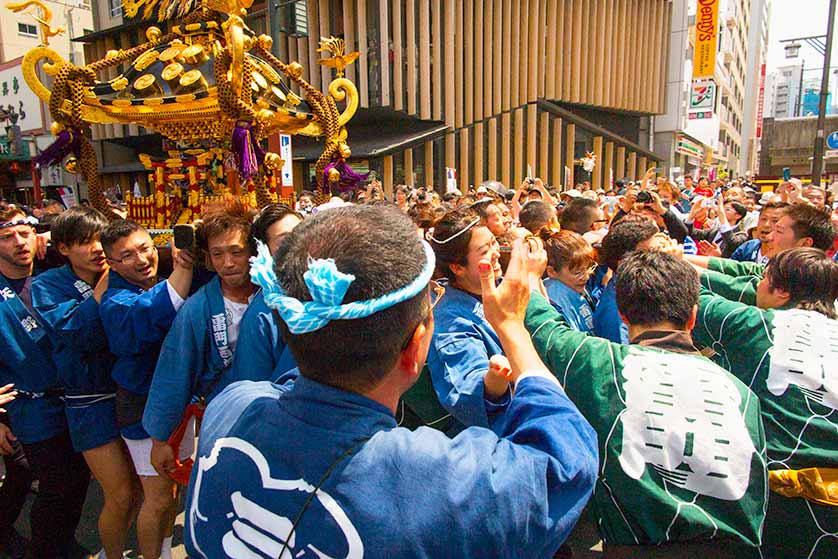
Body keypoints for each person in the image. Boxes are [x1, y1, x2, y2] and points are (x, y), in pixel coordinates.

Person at [184, 205, 599, 558]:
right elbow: (565, 462)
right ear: (417, 346)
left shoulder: (232, 406)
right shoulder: (440, 482)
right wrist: (512, 328)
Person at [525, 250, 768, 556]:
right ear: (693, 316)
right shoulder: (741, 393)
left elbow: (544, 328)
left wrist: (532, 275)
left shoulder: (603, 363)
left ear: (623, 315)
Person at [690, 248, 837, 559]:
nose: (757, 284)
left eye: (763, 278)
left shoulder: (750, 323)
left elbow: (682, 298)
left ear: (781, 291)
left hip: (780, 497)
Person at [31, 207, 138, 559]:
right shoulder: (48, 285)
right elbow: (73, 331)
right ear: (62, 248)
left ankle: (116, 548)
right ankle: (112, 552)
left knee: (139, 490)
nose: (96, 248)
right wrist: (103, 288)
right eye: (84, 242)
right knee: (119, 492)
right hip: (88, 401)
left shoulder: (123, 271)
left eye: (99, 239)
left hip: (128, 392)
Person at [143, 202, 258, 488]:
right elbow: (174, 372)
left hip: (275, 421)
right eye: (217, 254)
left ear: (254, 251)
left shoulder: (277, 298)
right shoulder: (198, 308)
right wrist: (161, 439)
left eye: (236, 252)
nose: (227, 263)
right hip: (223, 420)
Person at [99, 220, 194, 559]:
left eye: (145, 248)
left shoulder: (154, 280)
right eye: (126, 256)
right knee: (155, 497)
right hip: (141, 407)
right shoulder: (115, 302)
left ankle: (166, 551)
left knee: (172, 493)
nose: (141, 259)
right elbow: (156, 311)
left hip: (176, 402)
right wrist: (183, 268)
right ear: (110, 264)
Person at [0, 203, 90, 559]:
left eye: (25, 234)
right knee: (55, 484)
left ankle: (63, 539)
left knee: (78, 478)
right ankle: (46, 548)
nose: (19, 243)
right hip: (28, 405)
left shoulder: (56, 275)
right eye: (7, 237)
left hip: (74, 397)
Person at [426, 208, 512, 430]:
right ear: (457, 267)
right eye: (485, 250)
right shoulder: (449, 320)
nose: (496, 253)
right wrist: (496, 378)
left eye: (494, 243)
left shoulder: (499, 287)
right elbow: (468, 384)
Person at [228, 204, 302, 384]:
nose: (300, 243)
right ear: (264, 251)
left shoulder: (331, 293)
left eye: (303, 232)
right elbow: (251, 390)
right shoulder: (261, 315)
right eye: (285, 241)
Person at [593, 216, 662, 344]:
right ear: (624, 262)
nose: (661, 256)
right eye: (652, 252)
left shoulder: (642, 288)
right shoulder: (615, 314)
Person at [542, 230, 597, 333]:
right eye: (577, 272)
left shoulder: (572, 285)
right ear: (552, 271)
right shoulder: (555, 303)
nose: (586, 277)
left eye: (589, 268)